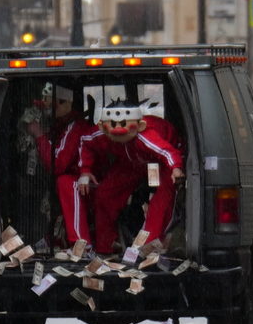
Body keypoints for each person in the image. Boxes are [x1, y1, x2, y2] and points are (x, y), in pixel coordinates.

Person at [77, 103, 184, 255]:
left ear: (140, 126)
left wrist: (176, 168)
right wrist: (85, 171)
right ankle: (105, 247)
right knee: (104, 193)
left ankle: (148, 244)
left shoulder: (146, 136)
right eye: (113, 127)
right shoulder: (100, 134)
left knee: (162, 198)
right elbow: (85, 140)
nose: (119, 130)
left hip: (161, 160)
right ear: (102, 127)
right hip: (131, 160)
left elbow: (167, 152)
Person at [26, 84, 99, 247]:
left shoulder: (76, 127)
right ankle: (53, 238)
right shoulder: (60, 124)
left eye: (54, 104)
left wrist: (39, 135)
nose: (47, 107)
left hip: (90, 183)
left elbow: (57, 164)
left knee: (66, 183)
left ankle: (81, 244)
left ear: (67, 104)